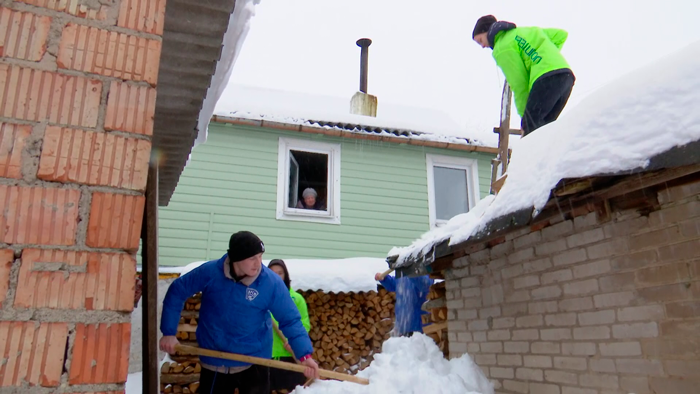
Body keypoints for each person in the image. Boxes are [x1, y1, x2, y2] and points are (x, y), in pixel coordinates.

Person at [159, 231, 320, 394]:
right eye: (252, 258)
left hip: (255, 361)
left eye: (260, 256)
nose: (258, 263)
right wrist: (169, 332)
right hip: (215, 359)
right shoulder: (210, 273)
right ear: (236, 258)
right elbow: (177, 290)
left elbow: (290, 320)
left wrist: (305, 356)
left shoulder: (270, 282)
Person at [472, 15, 575, 136]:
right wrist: (546, 58)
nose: (483, 46)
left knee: (530, 129)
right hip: (566, 77)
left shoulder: (501, 48)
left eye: (480, 40)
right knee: (544, 130)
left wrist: (525, 117)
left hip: (545, 79)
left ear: (487, 31)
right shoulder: (525, 31)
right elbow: (560, 35)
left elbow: (519, 84)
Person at [268, 259, 311, 392]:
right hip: (265, 355)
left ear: (285, 275)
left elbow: (304, 324)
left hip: (289, 355)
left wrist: (293, 342)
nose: (276, 276)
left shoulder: (296, 299)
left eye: (280, 273)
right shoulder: (262, 298)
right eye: (272, 273)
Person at [374, 271, 433, 337]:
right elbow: (395, 284)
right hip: (403, 326)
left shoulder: (424, 268)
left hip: (420, 327)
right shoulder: (403, 273)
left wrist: (410, 271)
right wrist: (385, 279)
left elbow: (426, 284)